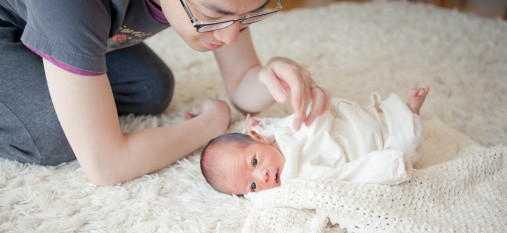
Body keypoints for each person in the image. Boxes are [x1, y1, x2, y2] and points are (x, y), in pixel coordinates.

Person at [0, 0, 330, 186]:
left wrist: (273, 75)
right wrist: (210, 125)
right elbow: (106, 166)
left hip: (45, 21)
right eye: (213, 15)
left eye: (248, 16)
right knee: (52, 133)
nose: (231, 37)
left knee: (151, 89)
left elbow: (243, 82)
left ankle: (58, 54)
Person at [200, 86, 430, 195]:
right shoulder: (294, 178)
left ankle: (395, 112)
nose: (263, 176)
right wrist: (387, 167)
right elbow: (342, 178)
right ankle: (411, 111)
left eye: (253, 163)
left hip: (350, 121)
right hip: (370, 146)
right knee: (407, 141)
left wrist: (262, 128)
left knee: (376, 114)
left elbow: (287, 121)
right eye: (252, 186)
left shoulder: (279, 133)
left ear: (260, 139)